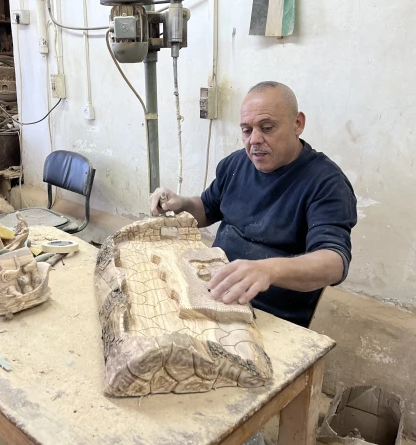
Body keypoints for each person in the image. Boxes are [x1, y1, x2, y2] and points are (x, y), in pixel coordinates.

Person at [150, 81, 357, 328]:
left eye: (267, 128)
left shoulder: (326, 183)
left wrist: (268, 271)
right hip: (216, 290)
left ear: (297, 124)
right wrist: (182, 203)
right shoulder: (235, 164)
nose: (255, 140)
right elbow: (207, 209)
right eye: (247, 131)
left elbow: (334, 262)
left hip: (271, 314)